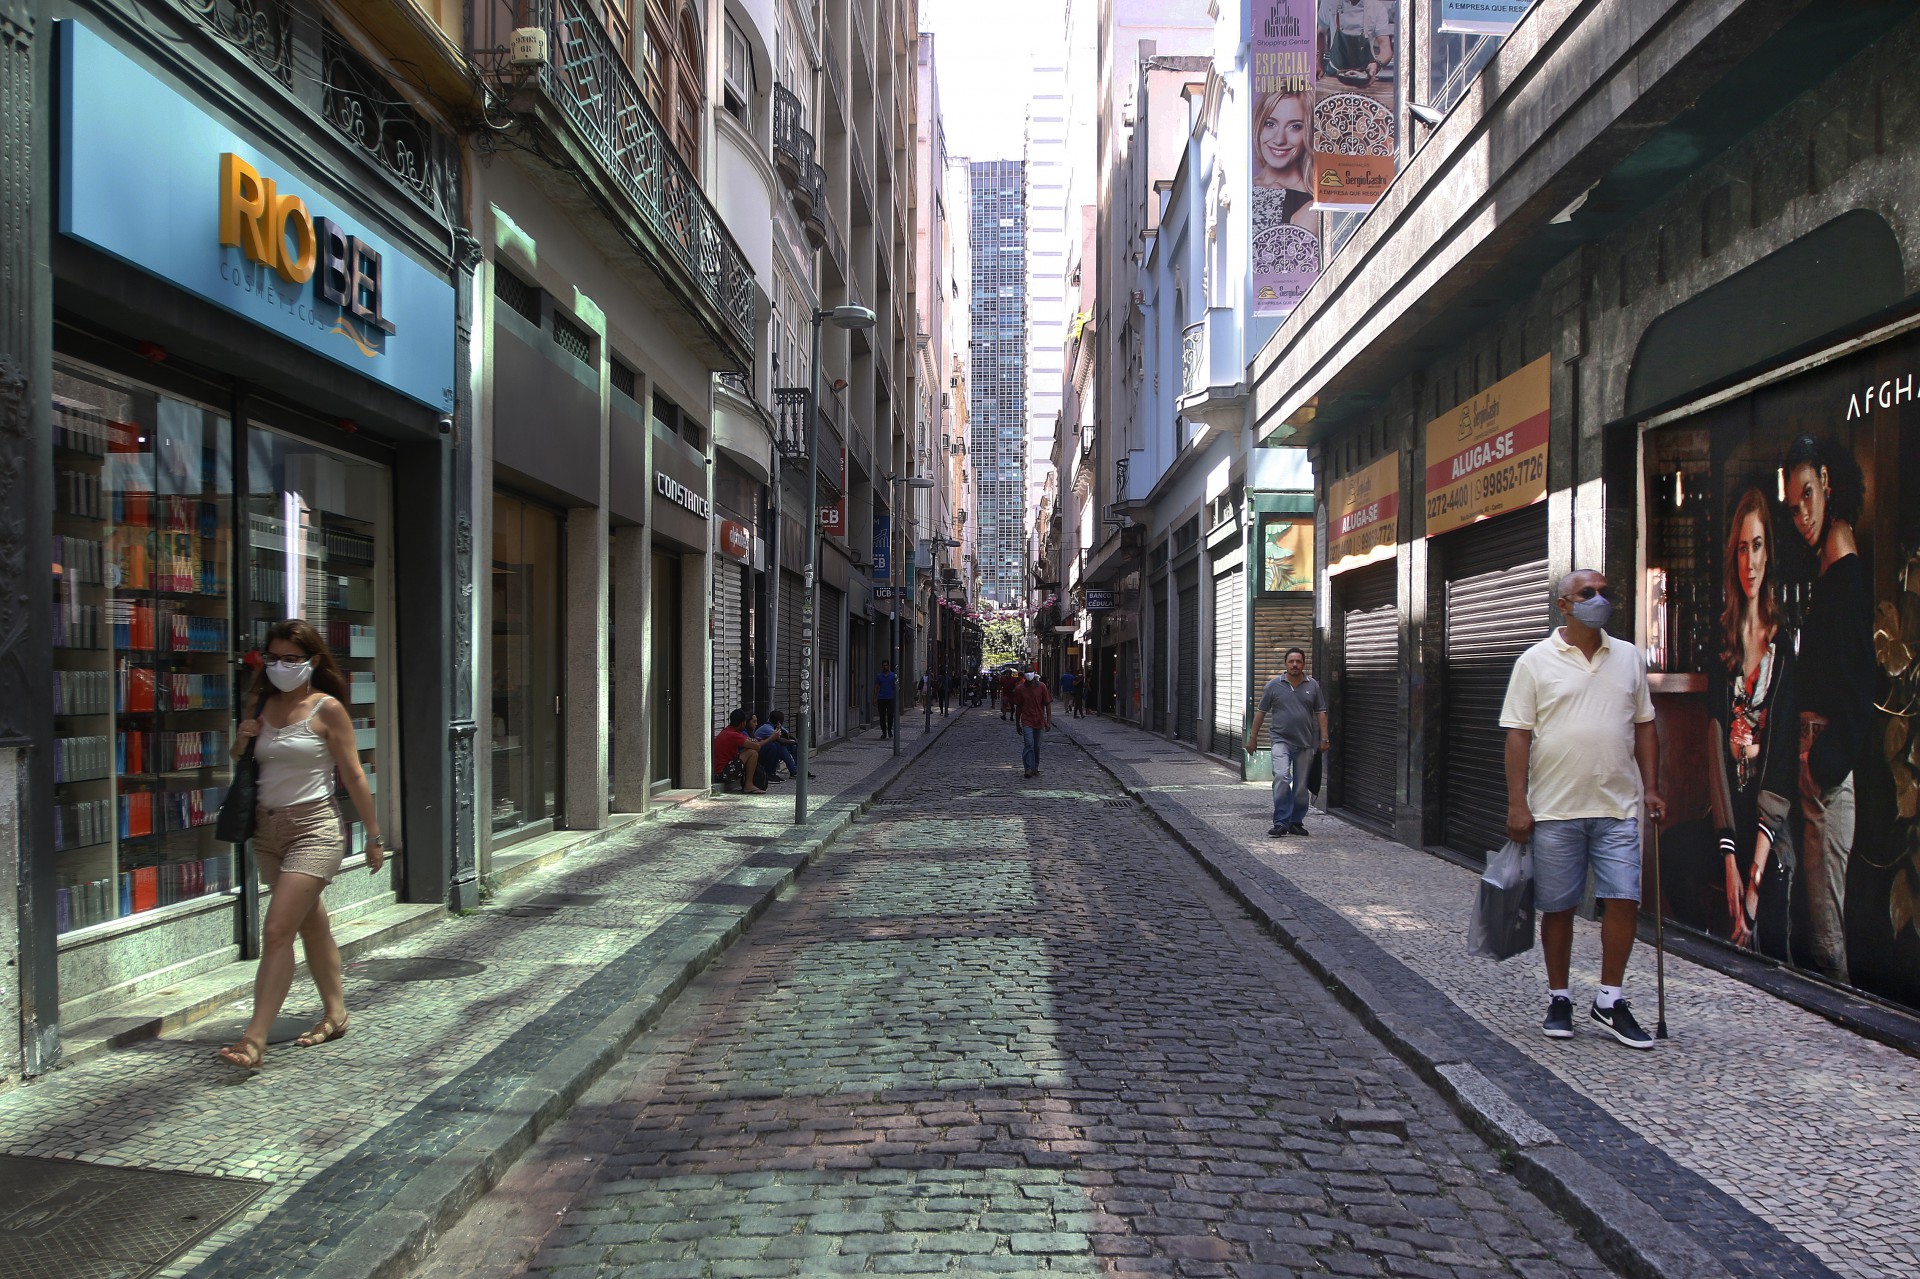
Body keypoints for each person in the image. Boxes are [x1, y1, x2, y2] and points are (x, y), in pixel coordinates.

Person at [1501, 569, 1666, 1049]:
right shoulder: (1534, 662)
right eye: (1588, 593)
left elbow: (1645, 725)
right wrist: (1518, 804)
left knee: (1624, 899)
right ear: (1564, 605)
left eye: (1605, 592)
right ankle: (1560, 997)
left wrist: (1651, 788)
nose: (1600, 600)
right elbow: (1517, 734)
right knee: (1558, 907)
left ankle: (1610, 999)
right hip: (1555, 808)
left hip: (1618, 806)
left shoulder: (1629, 658)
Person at [217, 620, 388, 1072]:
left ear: (312, 661)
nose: (280, 666)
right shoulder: (262, 701)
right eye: (272, 657)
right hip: (266, 832)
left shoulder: (326, 708)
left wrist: (373, 835)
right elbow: (241, 758)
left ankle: (254, 1039)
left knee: (277, 931)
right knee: (311, 924)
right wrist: (243, 737)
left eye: (291, 658)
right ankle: (336, 1012)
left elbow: (352, 774)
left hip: (314, 828)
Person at [1783, 435, 1874, 985]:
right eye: (1793, 507)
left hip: (1828, 777)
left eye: (1809, 495)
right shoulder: (1832, 562)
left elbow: (1861, 687)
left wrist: (1822, 765)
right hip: (1820, 773)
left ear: (1828, 482)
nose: (1802, 515)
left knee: (1826, 936)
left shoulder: (1843, 566)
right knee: (1819, 926)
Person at [1709, 489, 1796, 958]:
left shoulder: (1784, 647)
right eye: (1742, 548)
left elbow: (1781, 759)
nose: (1750, 561)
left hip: (1769, 823)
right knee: (1680, 862)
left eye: (1757, 546)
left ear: (1769, 552)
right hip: (1727, 816)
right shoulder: (1720, 639)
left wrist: (1754, 879)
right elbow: (1713, 748)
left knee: (1775, 888)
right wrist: (1729, 862)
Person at [1245, 647, 1328, 838]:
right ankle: (1281, 822)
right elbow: (1261, 713)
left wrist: (1324, 738)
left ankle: (1296, 822)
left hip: (1306, 743)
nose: (1295, 665)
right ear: (1285, 664)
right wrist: (1252, 738)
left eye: (1298, 661)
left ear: (1304, 664)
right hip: (1281, 740)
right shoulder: (1274, 685)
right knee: (1282, 777)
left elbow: (1321, 713)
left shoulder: (1312, 685)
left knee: (1300, 787)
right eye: (1291, 661)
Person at [1252, 90, 1315, 229]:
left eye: (1295, 127)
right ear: (1258, 125)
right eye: (1270, 124)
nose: (1279, 139)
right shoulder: (1240, 187)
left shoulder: (1311, 208)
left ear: (1309, 132)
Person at [712, 709, 767, 793]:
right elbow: (757, 746)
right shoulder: (734, 735)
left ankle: (748, 784)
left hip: (720, 772)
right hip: (723, 774)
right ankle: (749, 785)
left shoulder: (727, 731)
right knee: (752, 753)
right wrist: (771, 738)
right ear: (742, 723)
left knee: (749, 750)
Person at [1012, 670, 1054, 777]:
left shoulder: (1042, 687)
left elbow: (1048, 704)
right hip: (1027, 721)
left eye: (1030, 671)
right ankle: (1028, 768)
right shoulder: (1020, 689)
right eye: (1027, 672)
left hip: (1039, 720)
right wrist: (1017, 724)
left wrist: (1048, 721)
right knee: (1029, 744)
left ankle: (1035, 767)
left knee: (1037, 746)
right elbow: (1018, 708)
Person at [753, 709, 803, 782]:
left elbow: (788, 735)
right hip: (761, 751)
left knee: (792, 746)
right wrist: (796, 742)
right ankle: (794, 771)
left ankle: (800, 769)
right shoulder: (767, 728)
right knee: (781, 746)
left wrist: (795, 740)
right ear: (779, 721)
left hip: (769, 748)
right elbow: (780, 741)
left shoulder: (776, 725)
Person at [875, 660, 897, 739]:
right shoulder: (879, 676)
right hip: (881, 698)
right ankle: (884, 732)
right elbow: (876, 687)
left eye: (886, 665)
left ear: (888, 666)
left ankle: (890, 730)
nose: (885, 667)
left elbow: (896, 687)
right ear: (882, 666)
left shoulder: (892, 675)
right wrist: (875, 698)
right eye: (884, 665)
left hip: (890, 698)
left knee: (890, 715)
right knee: (882, 716)